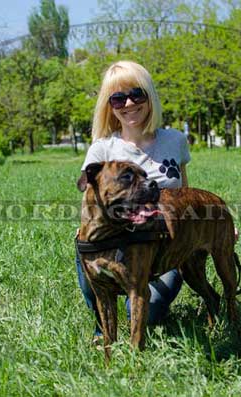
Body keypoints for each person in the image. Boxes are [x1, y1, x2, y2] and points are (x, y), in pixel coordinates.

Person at [76, 60, 191, 342]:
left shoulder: (175, 140)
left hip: (162, 244)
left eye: (136, 94)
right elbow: (89, 209)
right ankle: (103, 331)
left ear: (149, 95)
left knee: (145, 312)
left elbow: (185, 193)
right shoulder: (103, 149)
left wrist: (213, 225)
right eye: (118, 98)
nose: (128, 103)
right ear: (109, 105)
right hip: (111, 246)